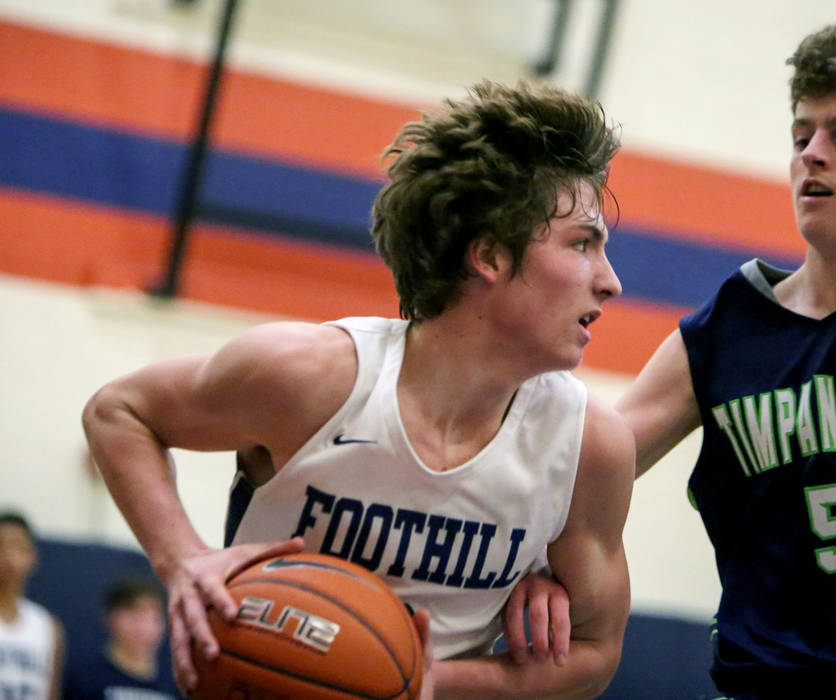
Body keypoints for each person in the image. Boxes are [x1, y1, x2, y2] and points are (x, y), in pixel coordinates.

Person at [510, 1, 836, 697]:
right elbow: (573, 475)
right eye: (802, 134)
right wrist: (521, 566)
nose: (812, 153)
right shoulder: (728, 329)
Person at [82, 80, 634, 699]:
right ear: (491, 258)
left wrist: (419, 680)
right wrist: (182, 559)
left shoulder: (590, 444)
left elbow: (593, 653)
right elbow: (118, 411)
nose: (610, 282)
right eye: (582, 244)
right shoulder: (311, 376)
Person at [64, 576, 179, 700]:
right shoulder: (84, 678)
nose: (143, 628)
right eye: (134, 617)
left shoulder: (177, 685)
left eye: (154, 618)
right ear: (110, 617)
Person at [0, 510, 64, 700]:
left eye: (18, 546)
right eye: (2, 546)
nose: (10, 556)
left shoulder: (48, 626)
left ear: (32, 556)